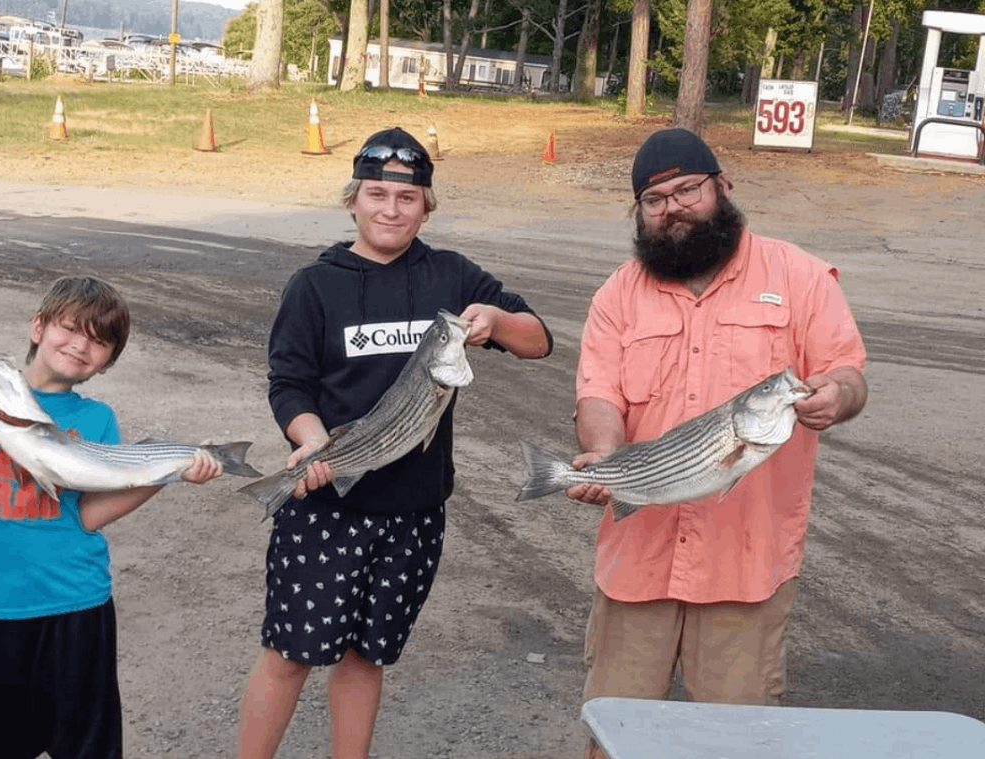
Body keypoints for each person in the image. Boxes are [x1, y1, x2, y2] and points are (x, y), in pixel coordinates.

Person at [236, 127, 552, 759]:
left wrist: (497, 321)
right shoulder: (314, 285)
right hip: (327, 507)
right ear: (353, 199)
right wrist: (311, 441)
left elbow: (538, 339)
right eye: (376, 194)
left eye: (407, 199)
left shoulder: (452, 275)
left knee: (365, 657)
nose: (390, 209)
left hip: (413, 511)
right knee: (289, 654)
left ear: (425, 206)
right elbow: (289, 382)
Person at [568, 128, 868, 757]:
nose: (674, 207)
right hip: (636, 561)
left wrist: (836, 396)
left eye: (688, 190)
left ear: (722, 187)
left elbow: (846, 372)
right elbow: (599, 396)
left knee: (737, 745)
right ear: (639, 213)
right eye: (655, 200)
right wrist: (603, 454)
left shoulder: (802, 277)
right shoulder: (617, 294)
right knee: (612, 736)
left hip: (746, 566)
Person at [0, 276, 223, 759]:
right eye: (70, 329)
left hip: (77, 607)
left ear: (107, 362)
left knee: (87, 749)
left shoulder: (97, 419)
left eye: (100, 341)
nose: (81, 345)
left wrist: (169, 473)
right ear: (37, 327)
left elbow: (87, 516)